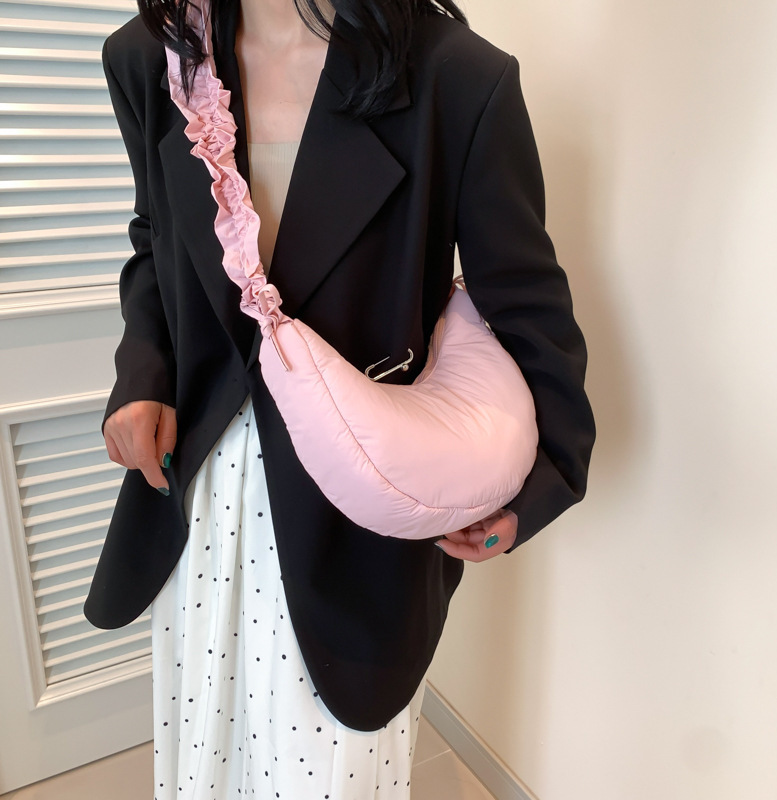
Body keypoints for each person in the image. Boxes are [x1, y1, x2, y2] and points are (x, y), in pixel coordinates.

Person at [84, 0, 596, 796]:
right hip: (205, 499)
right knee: (208, 762)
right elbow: (156, 234)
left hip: (360, 504)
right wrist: (142, 373)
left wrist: (538, 487)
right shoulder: (152, 57)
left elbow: (524, 300)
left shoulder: (458, 77)